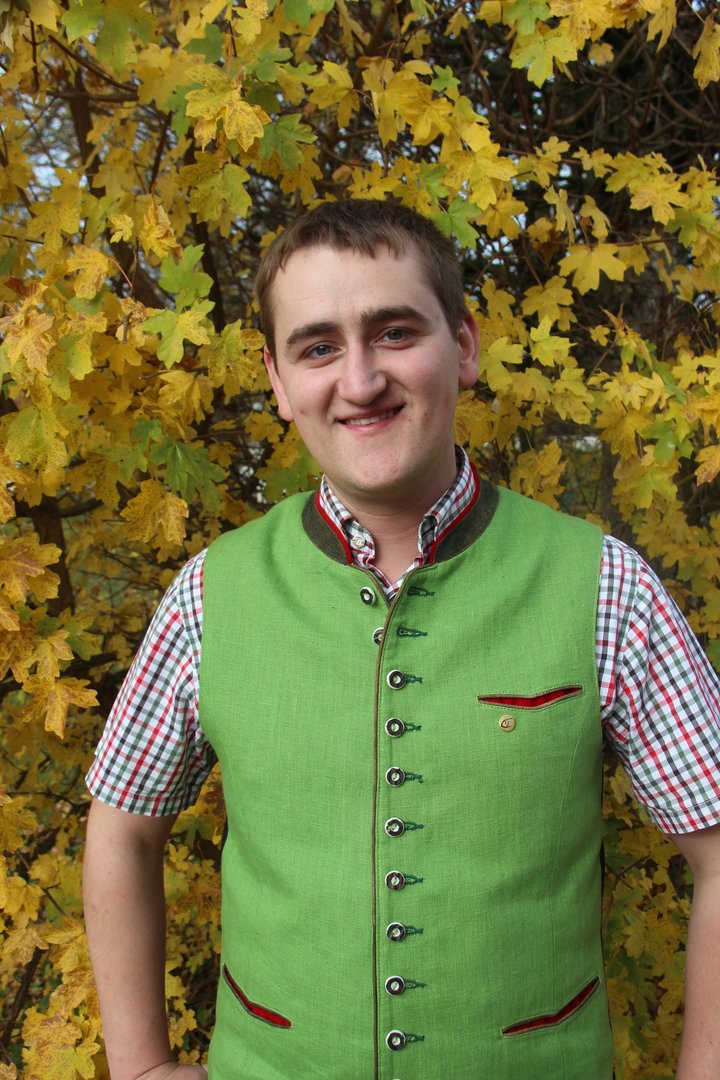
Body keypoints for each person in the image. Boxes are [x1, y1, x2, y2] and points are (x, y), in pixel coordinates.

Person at [83, 199, 720, 1080]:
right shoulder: (207, 597)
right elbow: (121, 831)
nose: (360, 379)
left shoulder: (604, 585)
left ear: (463, 345)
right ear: (277, 381)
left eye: (393, 332)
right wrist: (140, 1066)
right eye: (317, 347)